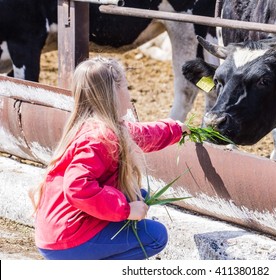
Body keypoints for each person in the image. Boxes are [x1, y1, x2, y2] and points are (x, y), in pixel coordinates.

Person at [29, 56, 190, 260]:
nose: (129, 93)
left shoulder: (96, 126)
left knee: (139, 194)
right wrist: (125, 210)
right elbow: (77, 187)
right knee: (155, 235)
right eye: (125, 86)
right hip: (67, 240)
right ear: (113, 92)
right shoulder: (100, 138)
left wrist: (176, 129)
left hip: (56, 233)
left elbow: (142, 134)